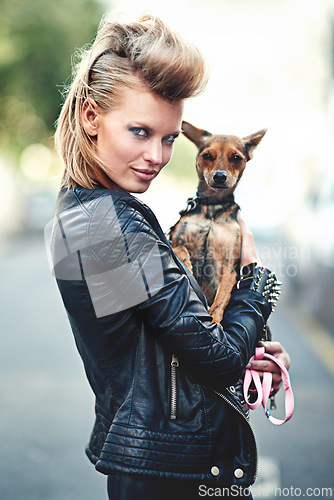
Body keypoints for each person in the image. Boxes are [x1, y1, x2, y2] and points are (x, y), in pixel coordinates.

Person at [50, 12, 290, 500]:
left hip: (159, 462)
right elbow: (216, 360)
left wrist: (248, 351)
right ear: (90, 117)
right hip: (171, 476)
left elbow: (163, 347)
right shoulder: (111, 223)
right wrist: (254, 278)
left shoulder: (84, 210)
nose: (157, 155)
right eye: (140, 131)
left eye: (167, 138)